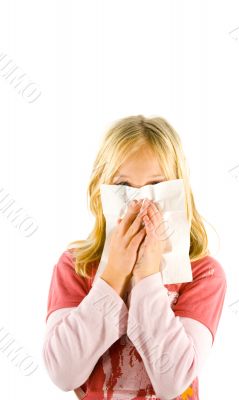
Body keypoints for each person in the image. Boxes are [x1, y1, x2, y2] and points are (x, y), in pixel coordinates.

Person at [42, 114, 227, 400]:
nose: (140, 204)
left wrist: (147, 277)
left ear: (179, 192)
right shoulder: (75, 266)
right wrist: (112, 275)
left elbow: (173, 381)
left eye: (156, 185)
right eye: (124, 187)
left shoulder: (204, 274)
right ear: (99, 193)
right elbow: (63, 372)